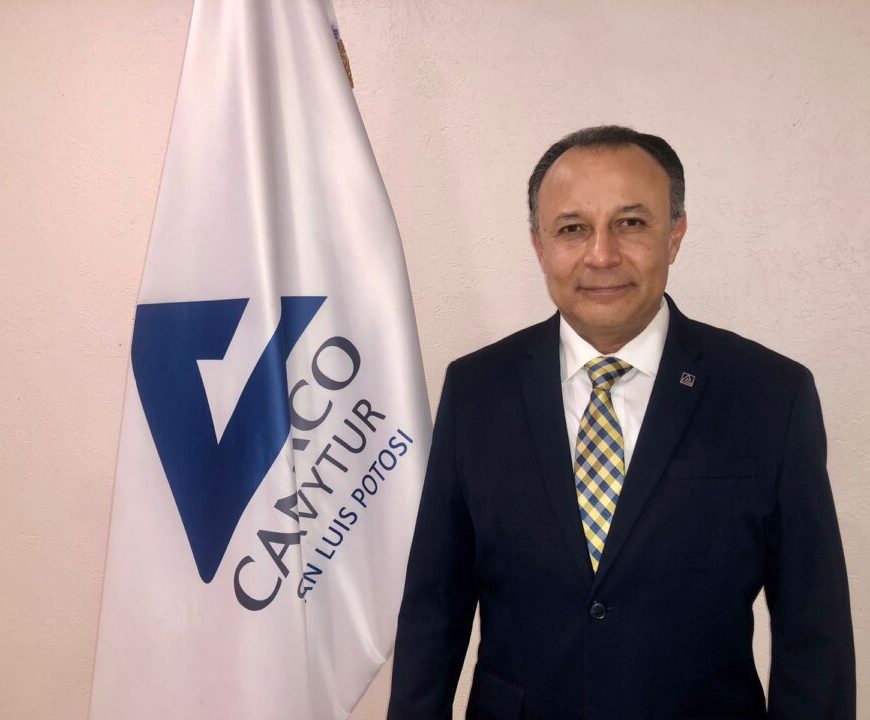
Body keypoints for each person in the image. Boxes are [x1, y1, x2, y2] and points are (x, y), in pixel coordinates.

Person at [387, 126, 855, 720]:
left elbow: (813, 630)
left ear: (675, 235)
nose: (602, 255)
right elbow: (434, 609)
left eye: (631, 223)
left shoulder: (770, 395)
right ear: (539, 245)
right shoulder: (477, 390)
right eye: (572, 228)